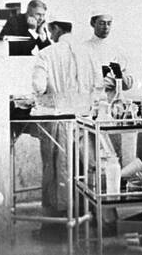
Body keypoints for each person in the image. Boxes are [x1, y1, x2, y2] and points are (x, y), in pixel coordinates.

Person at [31, 13, 82, 228]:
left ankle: (54, 223)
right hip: (81, 118)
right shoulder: (85, 52)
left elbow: (38, 86)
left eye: (50, 31)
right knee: (78, 166)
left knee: (53, 167)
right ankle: (80, 215)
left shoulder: (46, 54)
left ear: (55, 30)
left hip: (54, 117)